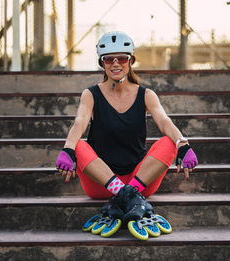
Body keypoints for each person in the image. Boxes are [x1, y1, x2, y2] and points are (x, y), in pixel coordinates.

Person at [56, 31, 198, 223]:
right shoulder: (90, 95)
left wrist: (183, 143)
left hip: (140, 180)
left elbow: (164, 121)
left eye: (122, 58)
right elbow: (80, 122)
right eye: (108, 59)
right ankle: (127, 196)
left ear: (131, 61)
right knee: (79, 145)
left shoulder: (146, 95)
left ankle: (124, 195)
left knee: (169, 142)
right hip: (102, 184)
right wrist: (68, 148)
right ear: (102, 63)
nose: (116, 63)